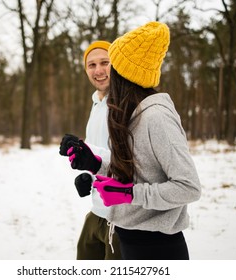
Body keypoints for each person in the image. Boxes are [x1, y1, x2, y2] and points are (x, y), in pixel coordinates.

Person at [60, 22, 201, 260]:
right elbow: (140, 171)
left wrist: (130, 194)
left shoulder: (156, 116)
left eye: (110, 65)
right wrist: (97, 165)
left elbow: (189, 187)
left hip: (157, 246)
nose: (103, 73)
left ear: (126, 74)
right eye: (94, 65)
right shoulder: (130, 114)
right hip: (129, 236)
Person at [59, 41, 121, 260]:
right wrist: (88, 175)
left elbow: (133, 161)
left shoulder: (123, 104)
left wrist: (96, 165)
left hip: (121, 215)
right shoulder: (96, 104)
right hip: (97, 210)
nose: (98, 70)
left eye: (105, 62)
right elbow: (100, 152)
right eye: (91, 65)